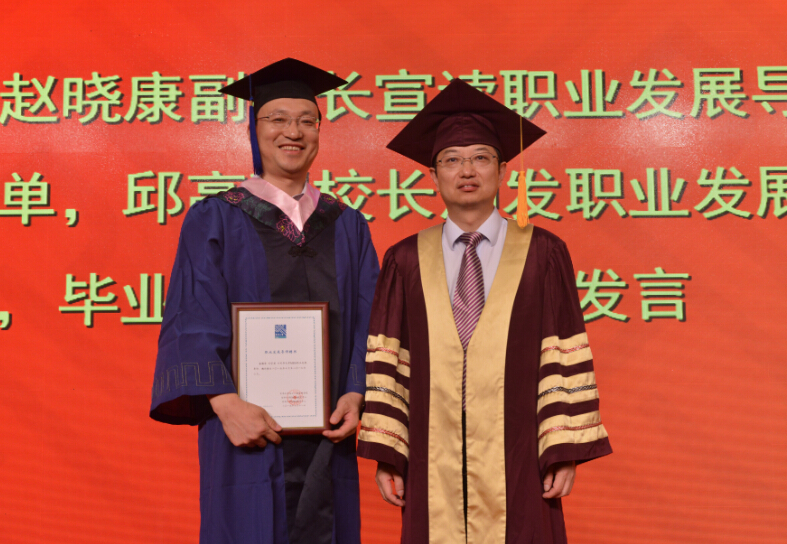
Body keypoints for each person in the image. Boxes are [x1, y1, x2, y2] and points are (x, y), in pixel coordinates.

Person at [357, 79, 612, 543]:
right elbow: (390, 367)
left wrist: (563, 450)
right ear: (433, 174)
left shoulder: (542, 252)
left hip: (521, 458)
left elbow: (563, 354)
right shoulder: (405, 260)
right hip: (432, 464)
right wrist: (389, 455)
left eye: (480, 157)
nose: (466, 170)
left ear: (502, 169)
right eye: (451, 160)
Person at [150, 58, 379, 544]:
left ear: (319, 132)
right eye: (277, 119)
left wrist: (358, 394)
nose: (292, 132)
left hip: (329, 435)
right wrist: (225, 403)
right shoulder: (216, 217)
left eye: (307, 121)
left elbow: (370, 321)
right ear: (254, 131)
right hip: (244, 434)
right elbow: (192, 316)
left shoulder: (348, 225)